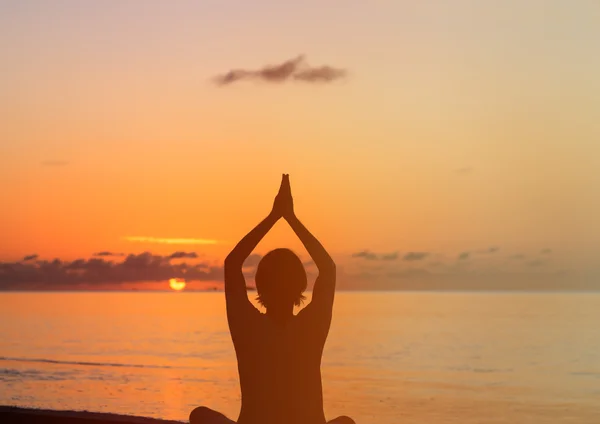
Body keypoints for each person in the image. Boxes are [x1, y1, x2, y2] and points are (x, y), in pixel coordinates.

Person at [190, 174, 354, 424]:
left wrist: (275, 216)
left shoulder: (248, 326)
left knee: (199, 415)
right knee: (346, 422)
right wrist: (290, 218)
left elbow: (232, 264)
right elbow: (328, 269)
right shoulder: (311, 326)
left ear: (259, 287)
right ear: (301, 286)